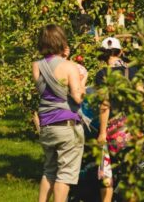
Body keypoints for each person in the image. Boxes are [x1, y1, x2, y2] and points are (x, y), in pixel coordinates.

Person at [33, 24, 86, 202]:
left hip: (46, 124)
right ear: (61, 41)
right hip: (66, 126)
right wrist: (83, 79)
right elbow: (78, 97)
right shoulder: (69, 66)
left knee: (49, 170)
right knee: (65, 174)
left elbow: (49, 87)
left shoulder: (37, 65)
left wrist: (63, 58)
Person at [94, 36, 138, 202]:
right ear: (121, 52)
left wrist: (102, 133)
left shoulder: (102, 74)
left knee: (106, 170)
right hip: (133, 127)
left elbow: (105, 104)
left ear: (103, 56)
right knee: (134, 169)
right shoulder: (134, 71)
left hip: (113, 129)